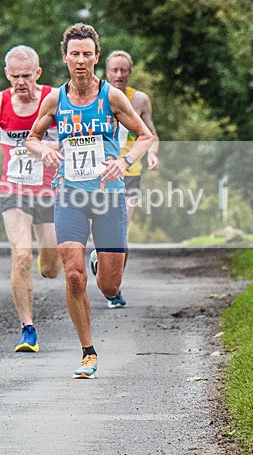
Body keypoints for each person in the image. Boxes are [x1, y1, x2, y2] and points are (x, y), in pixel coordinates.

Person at [26, 24, 153, 378]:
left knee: (109, 287)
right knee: (73, 276)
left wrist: (124, 162)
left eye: (87, 54)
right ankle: (88, 352)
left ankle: (103, 260)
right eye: (74, 54)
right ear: (64, 57)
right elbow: (32, 139)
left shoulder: (112, 97)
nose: (80, 60)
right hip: (69, 195)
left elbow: (144, 135)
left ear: (96, 57)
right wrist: (46, 152)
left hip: (109, 196)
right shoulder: (55, 99)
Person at [0, 45, 61, 353]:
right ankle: (27, 329)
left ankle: (45, 256)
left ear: (38, 73)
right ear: (7, 74)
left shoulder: (54, 99)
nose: (20, 82)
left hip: (50, 189)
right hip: (14, 188)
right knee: (20, 255)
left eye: (26, 76)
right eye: (14, 76)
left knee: (51, 268)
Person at [88, 50, 161, 308]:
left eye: (124, 71)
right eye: (114, 71)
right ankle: (100, 255)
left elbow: (151, 134)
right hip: (98, 173)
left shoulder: (139, 100)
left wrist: (151, 155)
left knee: (121, 230)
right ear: (106, 71)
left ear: (130, 72)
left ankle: (114, 287)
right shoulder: (96, 97)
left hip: (129, 174)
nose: (119, 75)